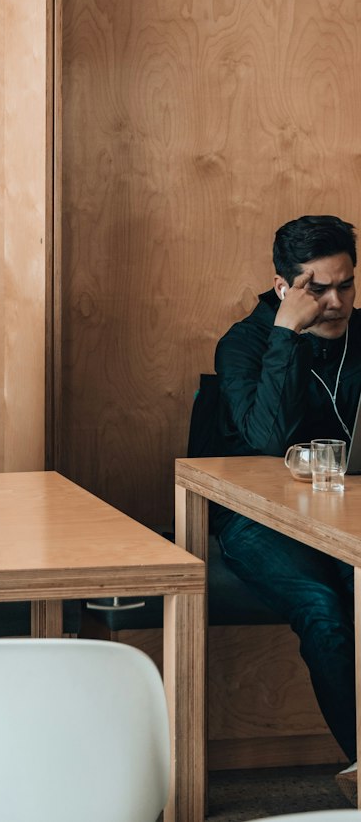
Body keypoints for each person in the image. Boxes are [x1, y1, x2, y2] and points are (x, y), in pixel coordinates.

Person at [213, 214, 361, 798]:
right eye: (316, 289)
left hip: (345, 518)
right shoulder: (245, 343)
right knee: (324, 607)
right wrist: (286, 336)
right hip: (256, 520)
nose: (335, 302)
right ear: (283, 289)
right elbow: (266, 438)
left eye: (345, 285)